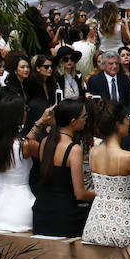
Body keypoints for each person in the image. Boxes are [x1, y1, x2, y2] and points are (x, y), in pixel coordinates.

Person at [83, 99, 130, 246]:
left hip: (96, 221)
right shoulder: (128, 157)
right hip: (122, 222)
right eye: (127, 119)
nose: (129, 123)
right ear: (118, 125)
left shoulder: (93, 152)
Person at [0, 92, 52, 232]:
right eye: (24, 110)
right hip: (22, 208)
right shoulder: (26, 146)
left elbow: (20, 144)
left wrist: (39, 123)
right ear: (18, 116)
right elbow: (50, 156)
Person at [32, 99, 94, 237]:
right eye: (84, 117)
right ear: (73, 121)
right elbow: (80, 194)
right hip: (64, 216)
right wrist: (102, 195)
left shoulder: (44, 142)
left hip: (41, 212)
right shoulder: (74, 149)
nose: (86, 120)